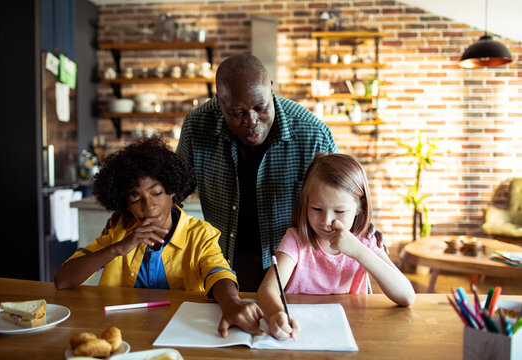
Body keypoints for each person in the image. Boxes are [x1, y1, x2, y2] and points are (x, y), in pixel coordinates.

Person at [54, 134, 264, 338]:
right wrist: (117, 248)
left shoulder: (199, 234)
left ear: (172, 189)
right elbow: (63, 280)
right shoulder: (119, 232)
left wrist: (232, 302)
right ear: (125, 205)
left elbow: (218, 272)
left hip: (183, 331)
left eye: (156, 193)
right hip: (125, 332)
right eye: (136, 199)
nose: (149, 205)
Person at [175, 54, 339, 291]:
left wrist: (361, 224)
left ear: (271, 89)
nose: (251, 121)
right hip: (229, 261)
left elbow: (343, 195)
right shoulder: (197, 126)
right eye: (237, 113)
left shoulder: (313, 133)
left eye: (261, 108)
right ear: (219, 102)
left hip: (297, 262)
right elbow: (172, 192)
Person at [257, 153, 416, 340]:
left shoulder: (364, 242)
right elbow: (267, 289)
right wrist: (276, 313)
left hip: (350, 332)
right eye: (316, 209)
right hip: (300, 332)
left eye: (339, 211)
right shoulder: (296, 240)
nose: (326, 221)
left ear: (360, 207)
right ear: (306, 204)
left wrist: (357, 250)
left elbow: (407, 296)